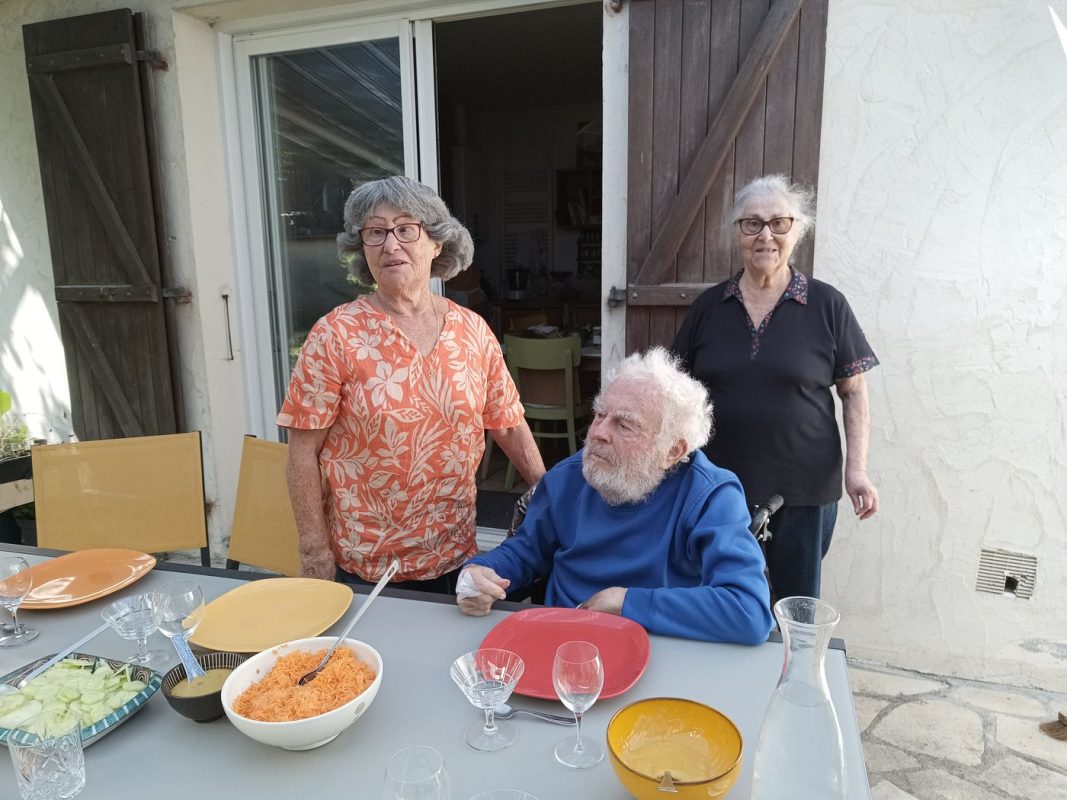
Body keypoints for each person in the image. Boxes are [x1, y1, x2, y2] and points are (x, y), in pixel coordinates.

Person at [278, 175, 545, 590]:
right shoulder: (335, 334)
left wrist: (552, 498)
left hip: (456, 554)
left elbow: (507, 424)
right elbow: (302, 451)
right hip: (362, 564)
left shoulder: (472, 330)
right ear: (361, 247)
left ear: (437, 242)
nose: (390, 244)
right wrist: (314, 553)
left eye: (406, 229)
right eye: (375, 232)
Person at [456, 348, 774, 645]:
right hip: (564, 642)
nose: (598, 433)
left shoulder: (708, 495)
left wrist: (627, 603)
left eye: (624, 424)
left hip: (657, 646)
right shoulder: (568, 478)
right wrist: (479, 572)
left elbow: (748, 610)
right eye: (599, 415)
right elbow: (525, 552)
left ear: (672, 451)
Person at [672, 174, 880, 601]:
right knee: (719, 599)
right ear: (738, 235)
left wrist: (856, 469)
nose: (765, 235)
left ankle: (790, 670)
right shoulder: (709, 308)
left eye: (779, 223)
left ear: (797, 232)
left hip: (804, 492)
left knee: (794, 608)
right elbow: (675, 392)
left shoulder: (827, 305)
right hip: (718, 488)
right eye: (752, 224)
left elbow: (854, 391)